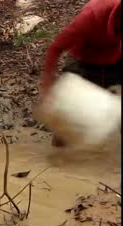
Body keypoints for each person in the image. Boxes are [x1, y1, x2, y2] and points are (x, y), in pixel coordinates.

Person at [39, 0, 121, 147]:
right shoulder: (91, 16)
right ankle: (58, 163)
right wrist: (47, 87)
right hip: (83, 61)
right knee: (64, 126)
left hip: (115, 57)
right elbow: (55, 48)